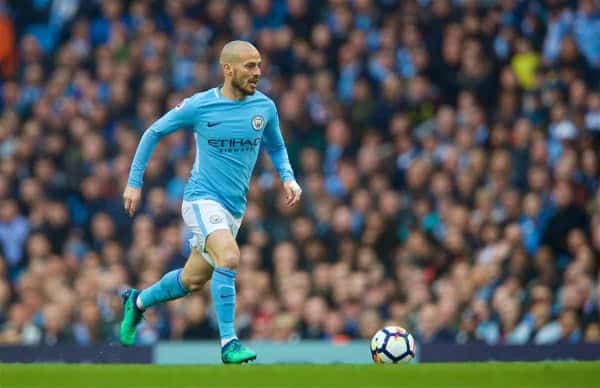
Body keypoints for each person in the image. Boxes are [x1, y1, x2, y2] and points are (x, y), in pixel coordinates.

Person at [119, 40, 302, 364]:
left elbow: (275, 145)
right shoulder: (200, 105)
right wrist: (135, 183)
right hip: (201, 199)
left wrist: (288, 177)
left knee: (192, 279)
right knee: (229, 256)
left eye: (259, 65)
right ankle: (229, 342)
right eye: (250, 66)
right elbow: (153, 132)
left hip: (234, 209)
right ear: (227, 69)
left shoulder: (265, 108)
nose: (257, 72)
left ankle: (137, 302)